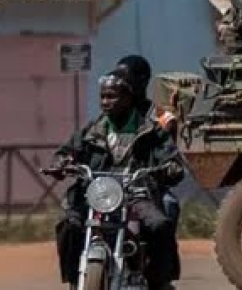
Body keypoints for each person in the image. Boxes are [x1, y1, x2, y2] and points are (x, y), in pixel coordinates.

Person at [45, 69, 183, 288]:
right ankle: (73, 279)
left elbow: (170, 158)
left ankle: (159, 281)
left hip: (136, 195)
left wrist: (170, 168)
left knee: (159, 225)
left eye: (112, 96)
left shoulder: (150, 131)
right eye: (102, 96)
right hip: (95, 194)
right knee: (68, 226)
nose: (106, 102)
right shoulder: (92, 130)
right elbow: (68, 150)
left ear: (128, 98)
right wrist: (60, 163)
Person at [115, 54, 182, 281]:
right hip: (112, 186)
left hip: (148, 185)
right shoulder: (113, 112)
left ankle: (162, 275)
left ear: (142, 80)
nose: (119, 82)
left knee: (168, 206)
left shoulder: (161, 117)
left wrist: (166, 169)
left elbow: (169, 151)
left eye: (125, 77)